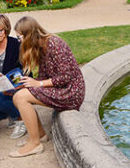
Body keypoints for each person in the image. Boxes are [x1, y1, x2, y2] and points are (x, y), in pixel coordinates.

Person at [9, 16, 85, 158]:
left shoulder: (55, 44)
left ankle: (35, 144)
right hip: (61, 88)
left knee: (21, 98)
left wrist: (39, 84)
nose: (19, 41)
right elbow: (44, 76)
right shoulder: (40, 47)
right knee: (20, 95)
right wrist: (29, 83)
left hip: (70, 92)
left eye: (20, 37)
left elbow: (65, 77)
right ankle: (40, 135)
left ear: (29, 35)